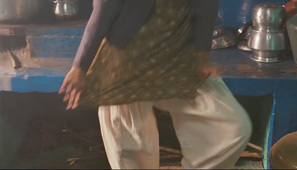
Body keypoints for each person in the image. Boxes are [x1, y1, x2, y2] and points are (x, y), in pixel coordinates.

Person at [59, 0, 252, 169]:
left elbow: (205, 7)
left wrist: (202, 57)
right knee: (128, 146)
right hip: (126, 59)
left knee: (232, 127)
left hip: (176, 55)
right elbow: (104, 7)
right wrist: (80, 66)